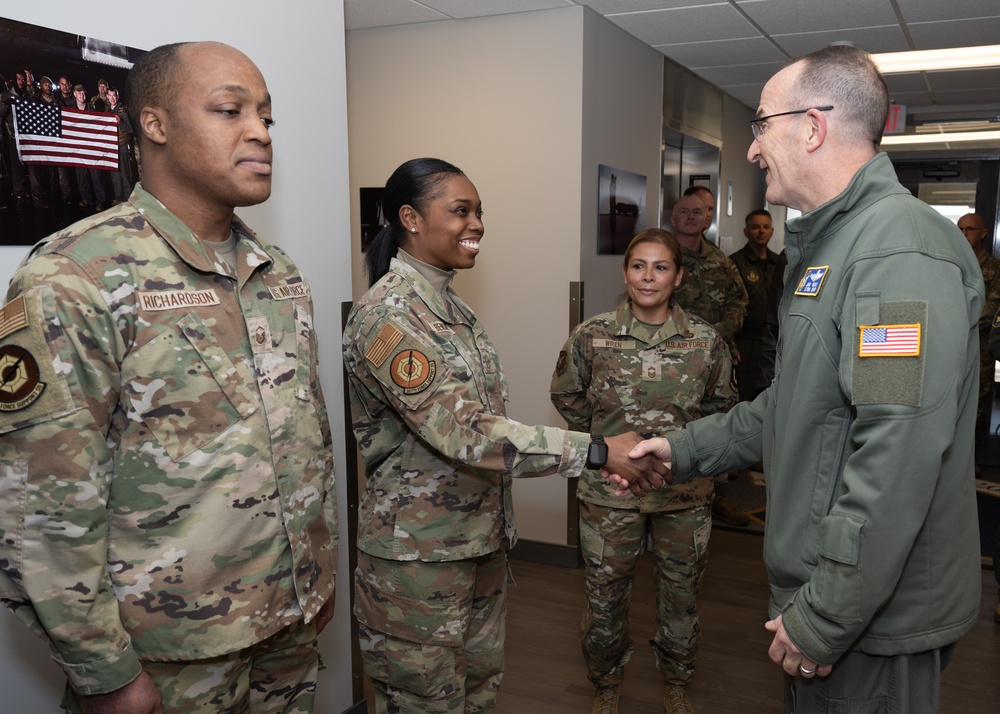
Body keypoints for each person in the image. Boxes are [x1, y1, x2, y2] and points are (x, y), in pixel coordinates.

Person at [610, 45, 983, 714]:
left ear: (812, 127)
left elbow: (898, 451)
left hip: (867, 615)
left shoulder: (895, 251)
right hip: (828, 591)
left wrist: (828, 616)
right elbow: (796, 404)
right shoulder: (834, 248)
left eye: (760, 124)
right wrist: (682, 449)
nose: (752, 150)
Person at [0, 41, 338, 714]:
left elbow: (305, 443)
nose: (259, 132)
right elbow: (41, 505)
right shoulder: (74, 275)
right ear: (154, 125)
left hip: (288, 628)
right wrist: (106, 673)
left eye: (266, 116)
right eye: (229, 110)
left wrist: (314, 583)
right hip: (170, 655)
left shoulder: (278, 272)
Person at [343, 158, 666, 714]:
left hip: (477, 543)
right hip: (419, 562)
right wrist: (594, 451)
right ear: (410, 219)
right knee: (425, 703)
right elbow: (467, 433)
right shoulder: (388, 317)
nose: (477, 225)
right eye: (461, 211)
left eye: (480, 212)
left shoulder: (454, 310)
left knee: (478, 695)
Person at [550, 229, 736, 714]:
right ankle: (606, 686)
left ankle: (677, 681)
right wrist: (605, 446)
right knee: (605, 598)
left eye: (660, 267)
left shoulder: (705, 340)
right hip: (611, 491)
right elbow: (566, 397)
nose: (647, 277)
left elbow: (721, 410)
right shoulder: (592, 336)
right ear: (625, 272)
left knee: (681, 598)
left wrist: (677, 451)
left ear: (677, 276)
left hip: (683, 492)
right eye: (638, 266)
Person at [669, 193, 748, 526]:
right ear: (673, 219)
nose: (690, 217)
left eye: (697, 212)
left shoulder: (720, 260)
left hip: (715, 358)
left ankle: (714, 494)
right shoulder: (665, 255)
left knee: (717, 423)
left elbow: (738, 303)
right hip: (671, 360)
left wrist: (714, 336)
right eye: (683, 212)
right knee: (674, 423)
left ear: (707, 220)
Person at [729, 209, 786, 402]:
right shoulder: (734, 263)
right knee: (745, 395)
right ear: (746, 231)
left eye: (766, 227)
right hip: (745, 343)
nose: (761, 231)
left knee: (770, 394)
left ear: (772, 231)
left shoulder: (780, 262)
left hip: (772, 341)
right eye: (755, 227)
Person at [958, 212, 1000, 466]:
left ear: (983, 233)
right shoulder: (955, 263)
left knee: (979, 404)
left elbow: (993, 307)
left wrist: (957, 322)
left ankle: (974, 461)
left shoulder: (995, 269)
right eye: (961, 229)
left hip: (982, 345)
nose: (964, 234)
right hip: (953, 345)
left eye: (970, 229)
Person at [71, 83, 108, 211]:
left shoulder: (92, 110)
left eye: (83, 92)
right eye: (79, 92)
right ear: (74, 94)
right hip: (78, 149)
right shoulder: (70, 112)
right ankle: (87, 198)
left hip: (92, 148)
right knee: (82, 176)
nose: (82, 95)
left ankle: (100, 201)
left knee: (96, 176)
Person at [105, 86, 136, 204]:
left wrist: (120, 121)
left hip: (122, 146)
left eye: (114, 95)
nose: (113, 98)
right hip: (111, 147)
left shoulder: (123, 110)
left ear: (117, 96)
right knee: (115, 175)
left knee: (125, 174)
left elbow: (130, 129)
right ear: (107, 96)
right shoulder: (107, 110)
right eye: (110, 95)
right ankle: (118, 197)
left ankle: (127, 199)